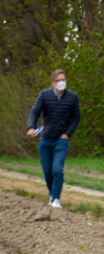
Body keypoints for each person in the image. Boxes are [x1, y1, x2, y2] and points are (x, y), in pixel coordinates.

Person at [26, 69, 81, 208]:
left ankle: (56, 199)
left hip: (61, 140)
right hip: (45, 139)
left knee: (57, 169)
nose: (62, 82)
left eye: (63, 79)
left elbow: (76, 117)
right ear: (53, 83)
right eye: (58, 80)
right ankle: (52, 195)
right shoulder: (44, 95)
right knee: (47, 171)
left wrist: (67, 133)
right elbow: (35, 112)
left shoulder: (72, 97)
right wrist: (31, 127)